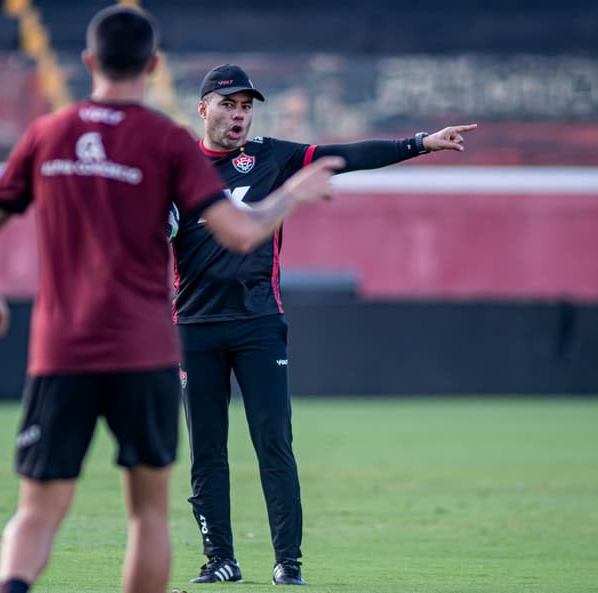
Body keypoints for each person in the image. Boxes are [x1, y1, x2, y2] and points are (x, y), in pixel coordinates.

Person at [0, 10, 343, 593]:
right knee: (148, 515)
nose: (239, 115)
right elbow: (239, 232)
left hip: (62, 348)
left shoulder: (47, 133)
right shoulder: (165, 144)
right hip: (144, 349)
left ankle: (13, 585)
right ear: (154, 65)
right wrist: (292, 194)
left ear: (88, 62)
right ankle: (233, 561)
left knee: (35, 511)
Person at [172, 63, 477, 586]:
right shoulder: (176, 168)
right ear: (203, 109)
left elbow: (345, 158)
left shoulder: (271, 155)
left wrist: (420, 143)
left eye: (246, 106)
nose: (239, 115)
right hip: (194, 327)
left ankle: (288, 563)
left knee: (274, 443)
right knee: (206, 450)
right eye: (228, 105)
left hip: (259, 324)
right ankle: (219, 559)